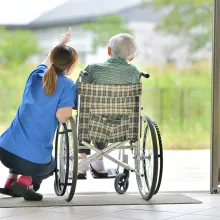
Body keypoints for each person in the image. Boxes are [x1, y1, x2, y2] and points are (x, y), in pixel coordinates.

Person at [0, 28, 78, 201]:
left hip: (5, 151)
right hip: (33, 162)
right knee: (51, 166)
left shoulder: (35, 75)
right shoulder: (67, 85)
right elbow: (62, 117)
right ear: (71, 66)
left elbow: (48, 59)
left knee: (22, 142)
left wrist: (62, 42)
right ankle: (25, 182)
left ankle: (9, 181)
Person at [76, 33, 140, 179]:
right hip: (123, 124)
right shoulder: (134, 72)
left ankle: (83, 159)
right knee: (110, 115)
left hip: (93, 122)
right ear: (131, 57)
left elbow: (77, 92)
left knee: (87, 114)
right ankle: (99, 161)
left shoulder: (92, 69)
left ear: (109, 51)